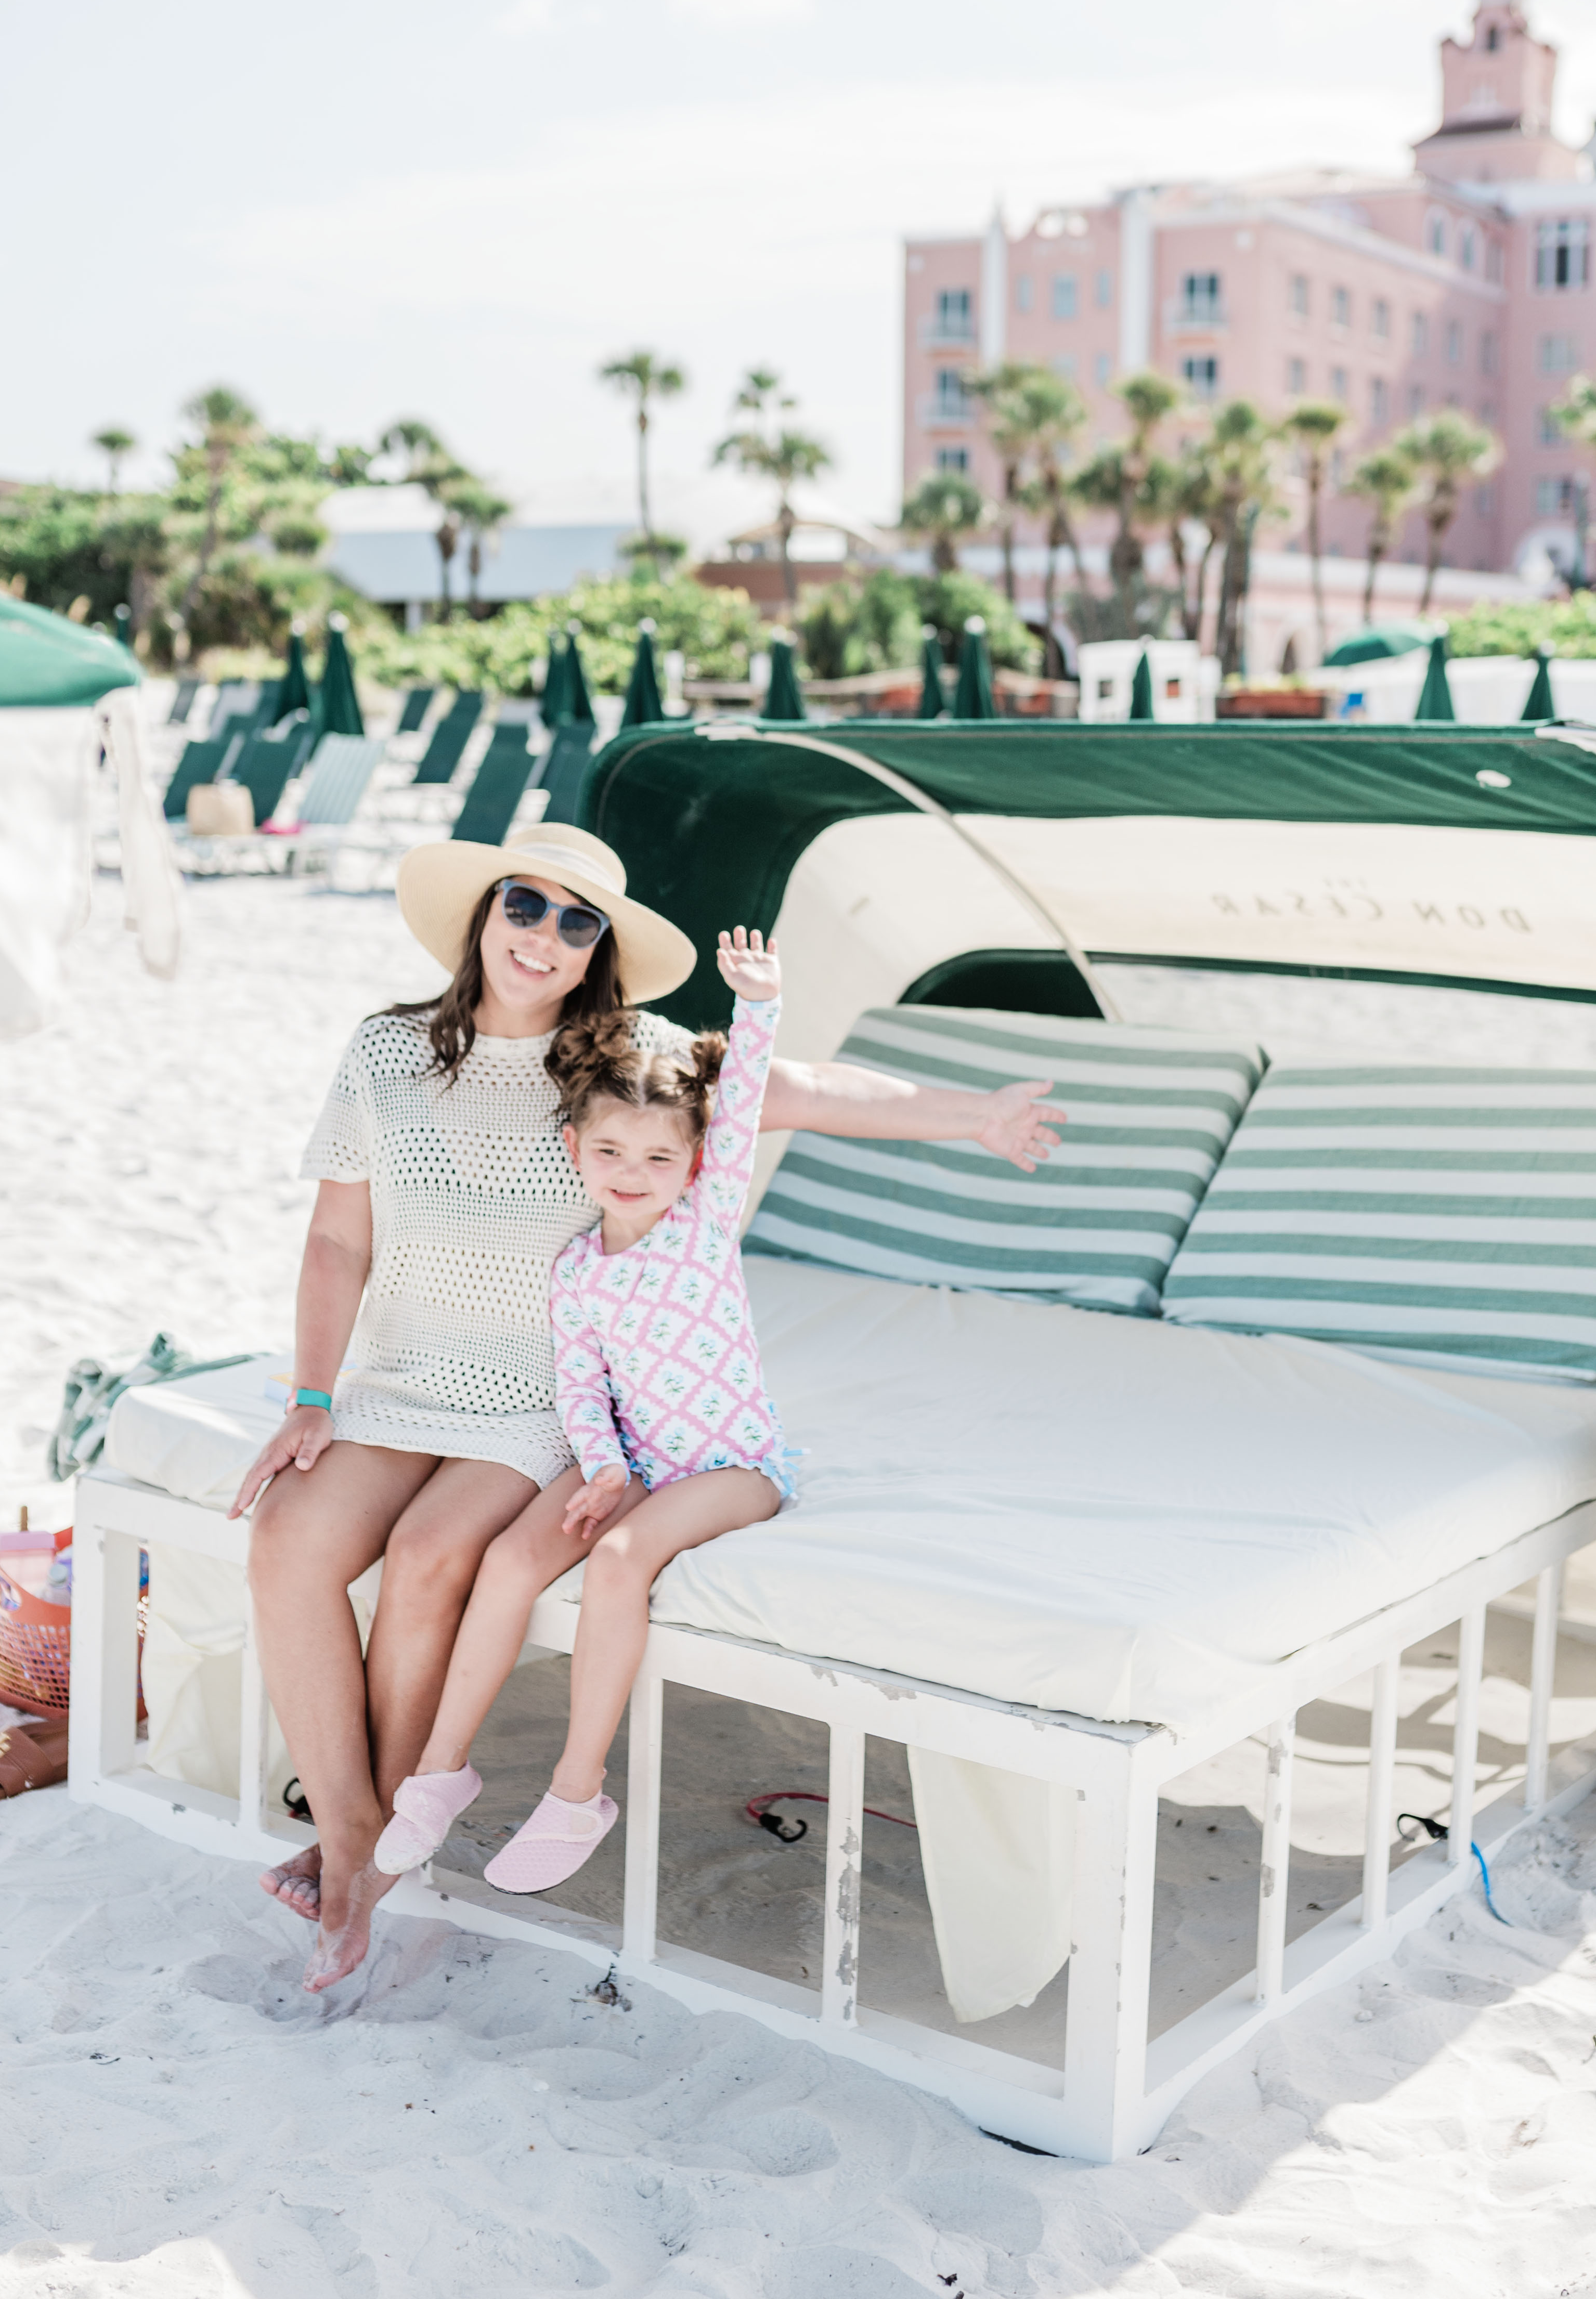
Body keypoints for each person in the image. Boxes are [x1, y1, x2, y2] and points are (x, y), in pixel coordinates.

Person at [232, 826, 1065, 1994]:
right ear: (482, 912)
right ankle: (355, 1832)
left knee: (427, 1557)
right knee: (286, 1537)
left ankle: (356, 1858)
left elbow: (805, 1088)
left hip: (541, 1400)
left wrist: (969, 1115)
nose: (546, 937)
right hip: (397, 1383)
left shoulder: (618, 1059)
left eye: (580, 925)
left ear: (597, 955)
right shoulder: (383, 1053)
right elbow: (335, 1236)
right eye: (526, 905)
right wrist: (312, 1394)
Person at [373, 924, 794, 1892]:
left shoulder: (699, 1224)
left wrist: (757, 1006)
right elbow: (582, 1387)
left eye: (657, 1155)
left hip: (729, 1466)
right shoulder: (575, 1269)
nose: (631, 1173)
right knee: (511, 1557)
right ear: (575, 1148)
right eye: (609, 1150)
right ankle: (440, 1772)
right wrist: (603, 1467)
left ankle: (575, 1790)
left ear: (694, 1162)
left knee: (617, 1558)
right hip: (634, 1461)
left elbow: (744, 1102)